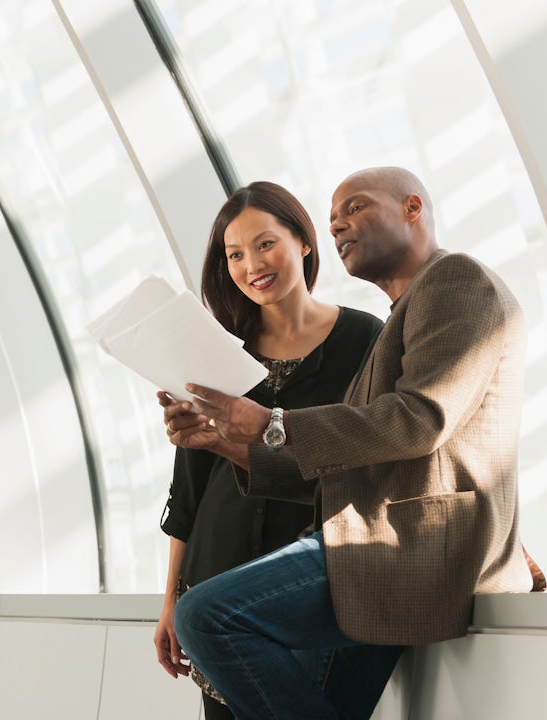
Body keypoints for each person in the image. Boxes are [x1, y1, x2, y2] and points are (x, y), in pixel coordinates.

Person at [163, 167, 546, 719]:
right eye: (334, 215)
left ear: (414, 208)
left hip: (411, 548)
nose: (339, 223)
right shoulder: (401, 316)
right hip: (386, 545)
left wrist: (273, 424)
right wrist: (225, 442)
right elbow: (356, 465)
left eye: (357, 207)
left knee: (208, 617)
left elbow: (419, 420)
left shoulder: (456, 279)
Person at [153, 181, 384, 720]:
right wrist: (171, 600)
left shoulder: (365, 340)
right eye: (234, 254)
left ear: (303, 242)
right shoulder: (215, 349)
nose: (250, 264)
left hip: (308, 588)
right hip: (213, 579)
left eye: (264, 244)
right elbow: (187, 491)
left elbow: (387, 454)